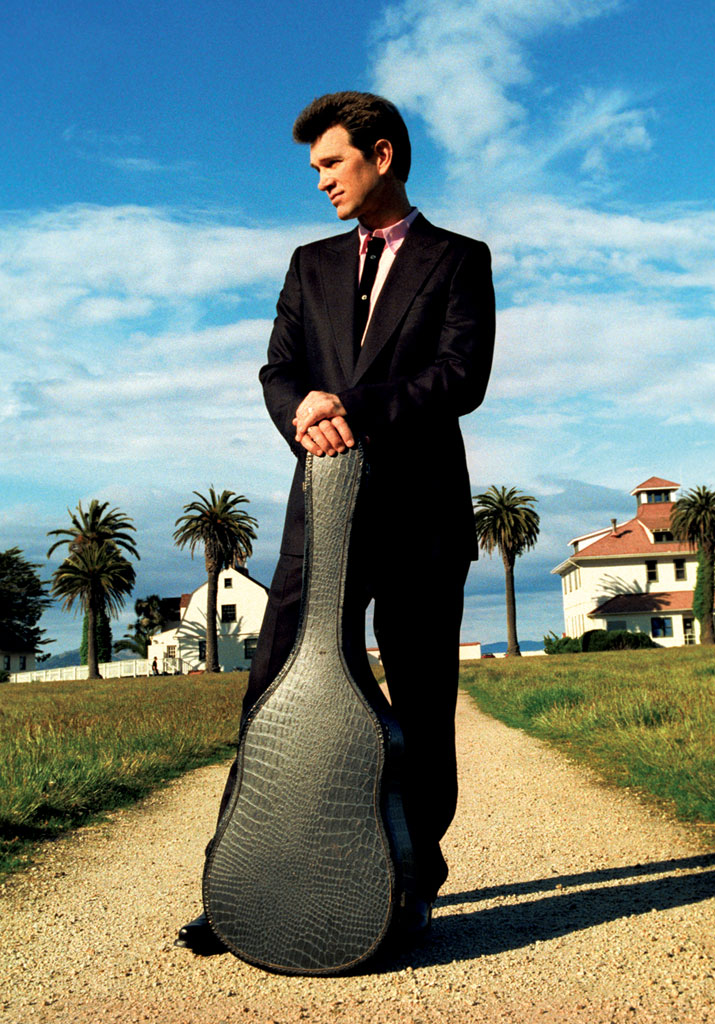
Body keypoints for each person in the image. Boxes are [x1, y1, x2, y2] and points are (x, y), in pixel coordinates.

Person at [177, 91, 494, 953]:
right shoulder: (309, 263)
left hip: (423, 519)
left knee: (421, 705)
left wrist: (349, 405)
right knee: (271, 692)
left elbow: (461, 377)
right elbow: (278, 369)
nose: (319, 180)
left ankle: (410, 881)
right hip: (321, 514)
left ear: (381, 155)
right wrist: (301, 410)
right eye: (314, 167)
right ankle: (242, 884)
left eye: (331, 162)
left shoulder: (459, 258)